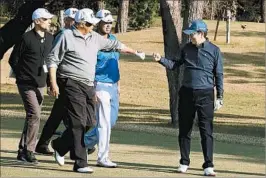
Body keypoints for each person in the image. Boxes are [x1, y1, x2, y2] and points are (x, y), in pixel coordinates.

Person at [46, 8, 145, 173]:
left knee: (90, 123)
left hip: (88, 85)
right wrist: (53, 83)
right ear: (82, 24)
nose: (94, 26)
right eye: (91, 24)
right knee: (78, 122)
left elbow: (116, 45)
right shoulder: (66, 36)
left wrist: (135, 52)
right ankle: (80, 163)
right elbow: (53, 59)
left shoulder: (94, 38)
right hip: (70, 82)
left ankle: (60, 145)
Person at [153, 19, 223, 176]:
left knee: (207, 131)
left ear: (201, 33)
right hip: (186, 93)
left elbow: (218, 75)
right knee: (185, 130)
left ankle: (208, 165)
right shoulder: (186, 49)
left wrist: (220, 96)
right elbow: (174, 65)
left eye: (192, 34)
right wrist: (161, 60)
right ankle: (184, 162)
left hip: (205, 94)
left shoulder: (214, 50)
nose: (190, 36)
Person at [83, 9, 144, 168]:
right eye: (105, 22)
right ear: (98, 23)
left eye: (110, 22)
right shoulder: (92, 40)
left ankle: (81, 143)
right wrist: (91, 88)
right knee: (103, 123)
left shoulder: (113, 39)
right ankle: (102, 157)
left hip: (113, 85)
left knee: (111, 121)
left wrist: (118, 85)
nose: (108, 25)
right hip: (99, 84)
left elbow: (116, 63)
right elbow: (88, 66)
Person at [8, 8, 54, 163]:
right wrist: (23, 76)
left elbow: (50, 63)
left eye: (49, 19)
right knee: (35, 114)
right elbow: (13, 60)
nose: (49, 22)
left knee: (32, 117)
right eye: (46, 19)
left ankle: (22, 150)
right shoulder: (26, 38)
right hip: (26, 83)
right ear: (37, 21)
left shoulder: (50, 38)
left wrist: (50, 84)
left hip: (40, 83)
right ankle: (29, 150)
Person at [35, 7, 78, 155]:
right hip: (62, 79)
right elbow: (51, 59)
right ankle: (73, 145)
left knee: (59, 114)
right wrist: (51, 82)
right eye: (72, 19)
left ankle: (44, 143)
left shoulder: (73, 35)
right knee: (67, 114)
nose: (75, 21)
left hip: (69, 80)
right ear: (65, 20)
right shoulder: (63, 34)